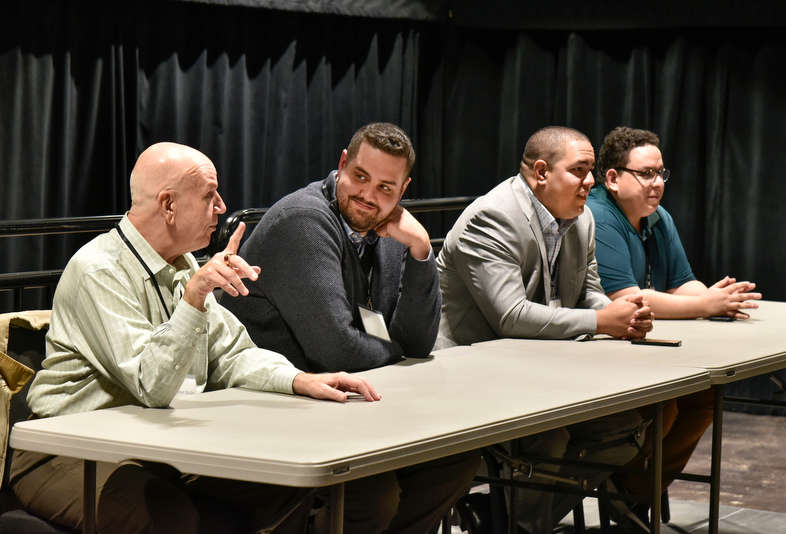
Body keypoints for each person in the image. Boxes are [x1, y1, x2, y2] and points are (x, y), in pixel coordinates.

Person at [10, 142, 381, 534]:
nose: (221, 206)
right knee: (169, 519)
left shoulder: (183, 263)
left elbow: (233, 353)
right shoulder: (98, 271)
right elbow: (151, 386)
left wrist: (299, 380)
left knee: (285, 488)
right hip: (66, 449)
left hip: (151, 441)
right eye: (209, 195)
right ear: (168, 205)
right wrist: (193, 299)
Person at [221, 123, 480, 534]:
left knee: (455, 461)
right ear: (342, 164)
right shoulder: (303, 220)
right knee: (374, 496)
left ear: (403, 188)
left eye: (386, 187)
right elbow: (337, 350)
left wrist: (420, 250)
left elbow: (417, 341)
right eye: (360, 176)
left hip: (343, 406)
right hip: (271, 406)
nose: (368, 196)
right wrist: (394, 349)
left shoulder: (387, 224)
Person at [435, 126, 654, 534]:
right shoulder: (492, 218)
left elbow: (589, 291)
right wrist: (600, 322)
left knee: (625, 430)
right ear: (540, 172)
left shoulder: (582, 217)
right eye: (580, 170)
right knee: (547, 441)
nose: (590, 181)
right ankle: (517, 525)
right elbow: (511, 317)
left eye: (591, 170)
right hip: (468, 374)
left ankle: (499, 521)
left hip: (535, 372)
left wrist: (619, 314)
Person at [586, 126, 762, 532]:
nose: (657, 184)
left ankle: (632, 491)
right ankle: (629, 492)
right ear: (612, 178)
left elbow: (683, 282)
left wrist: (716, 301)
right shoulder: (598, 217)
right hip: (598, 347)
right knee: (662, 406)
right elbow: (628, 298)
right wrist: (704, 305)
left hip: (646, 346)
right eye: (646, 173)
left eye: (662, 173)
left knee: (703, 398)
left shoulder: (658, 217)